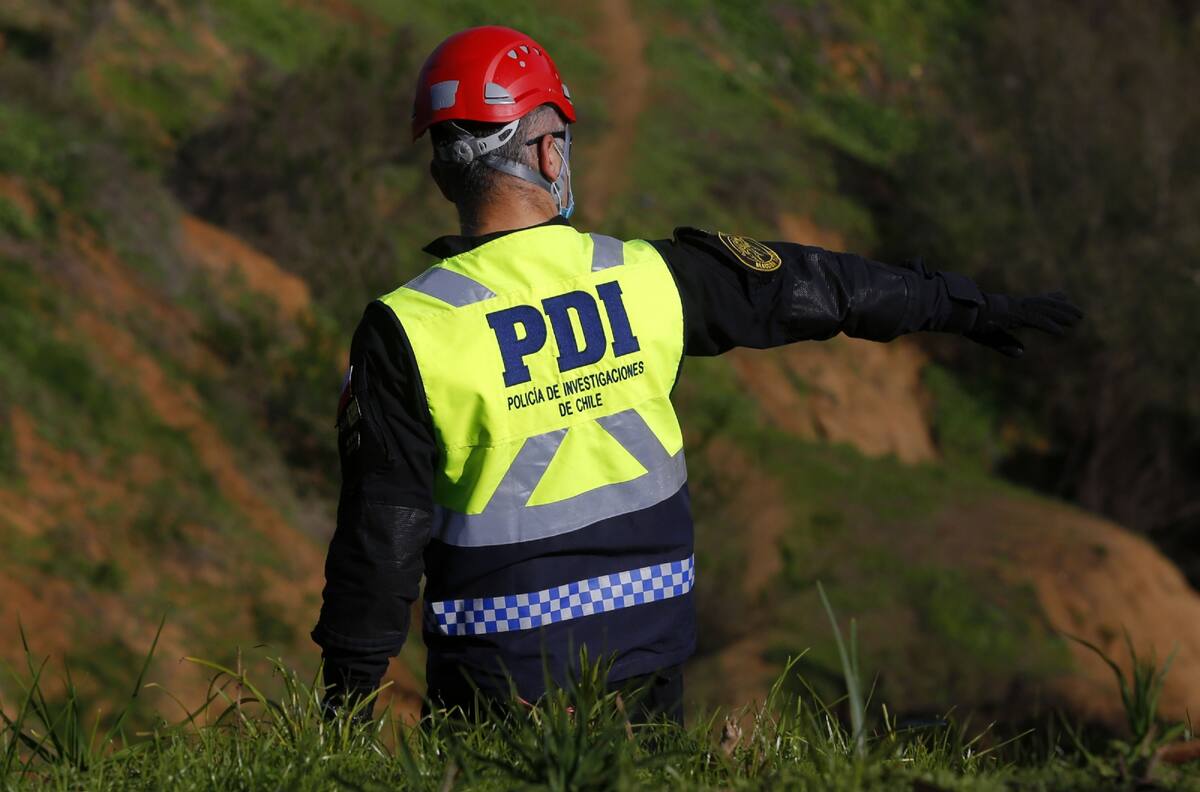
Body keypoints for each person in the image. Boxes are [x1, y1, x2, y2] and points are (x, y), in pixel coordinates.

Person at [311, 25, 1082, 725]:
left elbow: (381, 539)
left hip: (498, 678)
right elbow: (818, 288)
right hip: (647, 653)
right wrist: (964, 306)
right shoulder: (648, 278)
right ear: (548, 152)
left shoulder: (407, 330)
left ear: (445, 168)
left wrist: (342, 712)